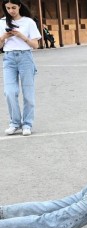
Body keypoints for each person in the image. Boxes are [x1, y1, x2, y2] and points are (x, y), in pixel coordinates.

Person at [0, 0, 41, 136]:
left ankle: (27, 124)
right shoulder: (2, 22)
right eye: (8, 8)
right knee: (9, 92)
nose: (11, 10)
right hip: (9, 59)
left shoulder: (28, 22)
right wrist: (4, 37)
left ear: (19, 6)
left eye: (13, 7)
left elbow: (35, 45)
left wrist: (21, 36)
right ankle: (14, 123)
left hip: (25, 58)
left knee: (28, 93)